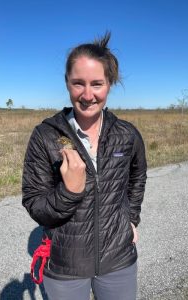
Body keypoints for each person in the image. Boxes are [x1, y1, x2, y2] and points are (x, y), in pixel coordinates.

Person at [22, 32, 147, 300]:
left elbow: (138, 175)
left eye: (97, 84)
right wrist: (70, 191)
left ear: (109, 84)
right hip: (66, 267)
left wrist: (131, 218)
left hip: (119, 259)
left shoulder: (127, 134)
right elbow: (34, 203)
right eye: (78, 83)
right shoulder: (46, 135)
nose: (87, 95)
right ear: (67, 83)